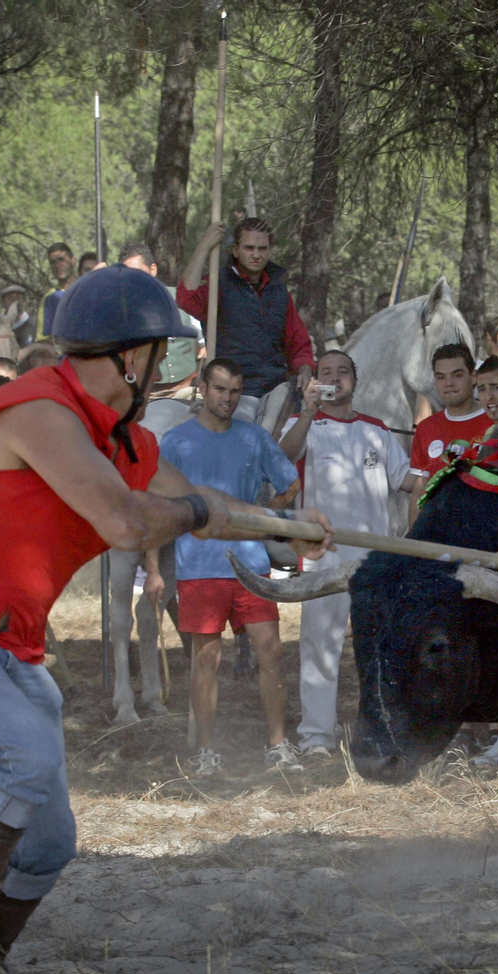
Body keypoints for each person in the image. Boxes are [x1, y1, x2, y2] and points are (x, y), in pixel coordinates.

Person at [0, 265, 331, 974]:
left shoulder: (128, 443)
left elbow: (200, 502)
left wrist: (282, 524)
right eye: (161, 351)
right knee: (17, 757)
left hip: (5, 652)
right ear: (130, 356)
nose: (170, 368)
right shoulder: (38, 409)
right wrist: (202, 514)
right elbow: (125, 521)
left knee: (49, 847)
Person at [160, 358, 302, 775]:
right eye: (220, 389)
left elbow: (289, 482)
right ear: (203, 387)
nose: (228, 398)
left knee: (271, 653)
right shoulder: (175, 442)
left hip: (250, 564)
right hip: (199, 567)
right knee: (206, 660)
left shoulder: (254, 438)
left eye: (235, 391)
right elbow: (156, 502)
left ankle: (277, 745)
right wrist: (154, 567)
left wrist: (262, 518)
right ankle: (206, 751)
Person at [278, 351, 409, 756]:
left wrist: (448, 468)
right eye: (326, 373)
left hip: (375, 560)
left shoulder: (376, 430)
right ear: (314, 381)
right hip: (324, 556)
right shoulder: (304, 424)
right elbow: (284, 457)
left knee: (380, 646)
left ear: (355, 379)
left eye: (343, 372)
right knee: (320, 644)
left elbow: (407, 480)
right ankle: (317, 735)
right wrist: (306, 411)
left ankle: (380, 729)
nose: (335, 378)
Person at [177, 218, 315, 430]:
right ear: (235, 250)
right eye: (249, 247)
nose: (256, 254)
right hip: (234, 390)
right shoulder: (218, 282)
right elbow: (187, 299)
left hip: (276, 386)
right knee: (236, 437)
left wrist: (305, 368)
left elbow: (298, 343)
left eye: (262, 248)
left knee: (308, 428)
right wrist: (205, 244)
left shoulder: (279, 291)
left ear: (270, 251)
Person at [408, 344, 491, 517]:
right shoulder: (426, 428)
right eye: (441, 377)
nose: (448, 383)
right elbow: (419, 492)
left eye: (457, 375)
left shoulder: (495, 421)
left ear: (473, 376)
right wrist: (414, 539)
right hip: (437, 535)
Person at [119, 243, 204, 383]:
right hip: (144, 393)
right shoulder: (119, 309)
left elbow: (204, 336)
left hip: (185, 389)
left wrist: (203, 348)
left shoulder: (179, 298)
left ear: (153, 269)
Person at [39, 243, 76, 337]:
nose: (58, 265)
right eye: (53, 262)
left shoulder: (87, 290)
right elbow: (43, 337)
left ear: (73, 261)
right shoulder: (49, 298)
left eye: (61, 259)